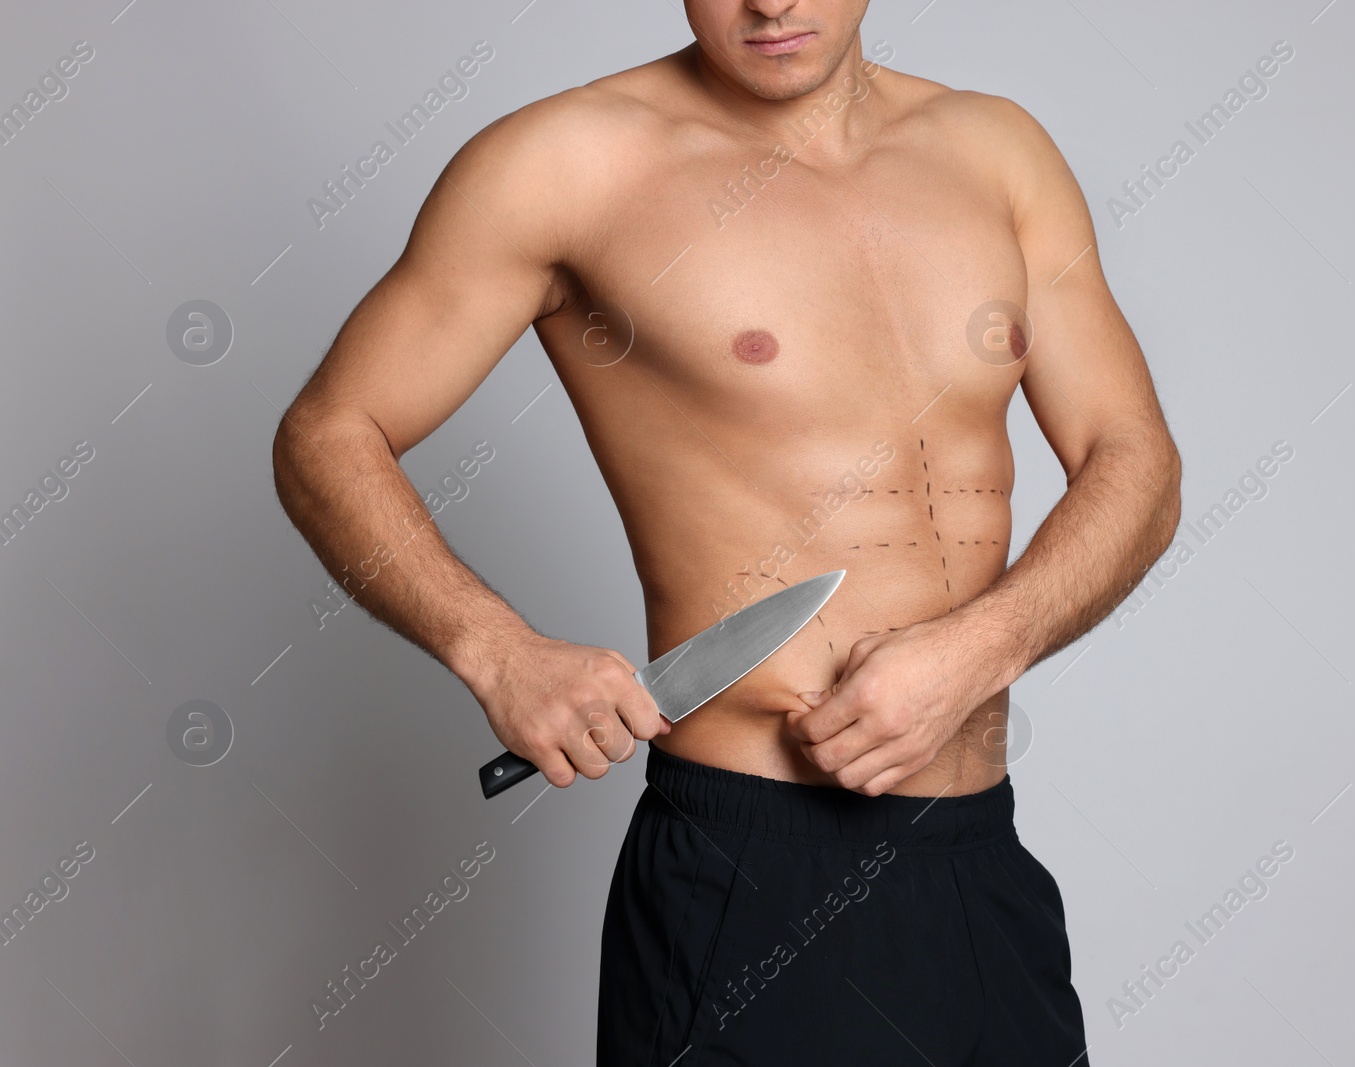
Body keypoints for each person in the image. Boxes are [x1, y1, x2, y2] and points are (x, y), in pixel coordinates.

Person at [272, 1, 1180, 1062]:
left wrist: (986, 643)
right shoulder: (567, 164)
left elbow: (1135, 457)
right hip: (755, 875)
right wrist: (497, 649)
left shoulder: (996, 150)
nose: (772, 2)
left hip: (978, 859)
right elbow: (328, 433)